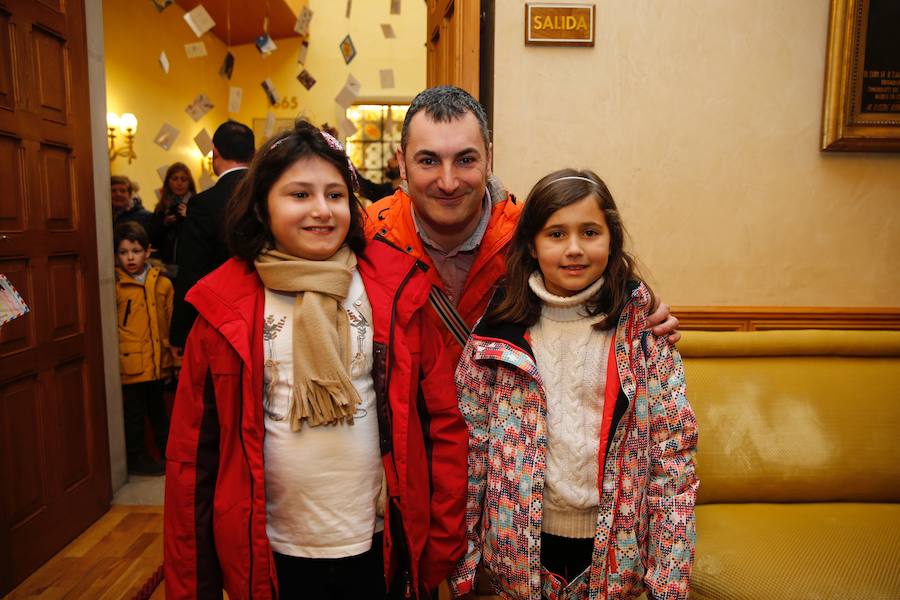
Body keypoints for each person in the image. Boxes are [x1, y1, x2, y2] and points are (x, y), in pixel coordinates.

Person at [164, 121, 467, 599]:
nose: (322, 211)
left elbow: (444, 423)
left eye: (335, 195)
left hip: (378, 543)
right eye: (299, 195)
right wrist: (192, 582)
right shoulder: (224, 310)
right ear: (263, 204)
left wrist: (441, 540)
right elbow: (192, 460)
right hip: (272, 551)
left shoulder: (395, 295)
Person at [448, 170, 699, 600]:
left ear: (611, 239)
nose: (574, 249)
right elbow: (472, 451)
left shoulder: (642, 334)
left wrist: (667, 580)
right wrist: (465, 559)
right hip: (517, 551)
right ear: (531, 243)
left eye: (589, 232)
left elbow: (673, 459)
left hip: (615, 553)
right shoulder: (497, 334)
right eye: (556, 234)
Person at [365, 86, 680, 367]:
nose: (448, 182)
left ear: (489, 158)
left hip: (515, 425)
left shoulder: (532, 238)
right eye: (428, 161)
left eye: (465, 160)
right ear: (402, 164)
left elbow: (599, 291)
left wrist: (643, 313)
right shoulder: (368, 238)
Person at [169, 120, 255, 348]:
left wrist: (181, 334)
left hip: (223, 317)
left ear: (214, 153)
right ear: (253, 154)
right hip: (270, 311)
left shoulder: (204, 204)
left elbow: (193, 270)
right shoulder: (273, 195)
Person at [114, 221, 175, 476]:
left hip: (157, 360)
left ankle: (169, 454)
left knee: (159, 411)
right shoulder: (115, 286)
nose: (130, 257)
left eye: (136, 251)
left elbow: (170, 323)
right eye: (124, 252)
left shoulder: (163, 284)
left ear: (148, 252)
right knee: (134, 414)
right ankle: (137, 458)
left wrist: (173, 360)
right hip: (131, 362)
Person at [149, 162, 196, 278]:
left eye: (183, 180)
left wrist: (187, 218)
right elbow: (152, 239)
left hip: (190, 265)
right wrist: (164, 224)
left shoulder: (196, 205)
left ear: (189, 183)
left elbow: (201, 235)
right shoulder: (161, 208)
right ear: (168, 182)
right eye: (175, 179)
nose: (179, 183)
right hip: (164, 267)